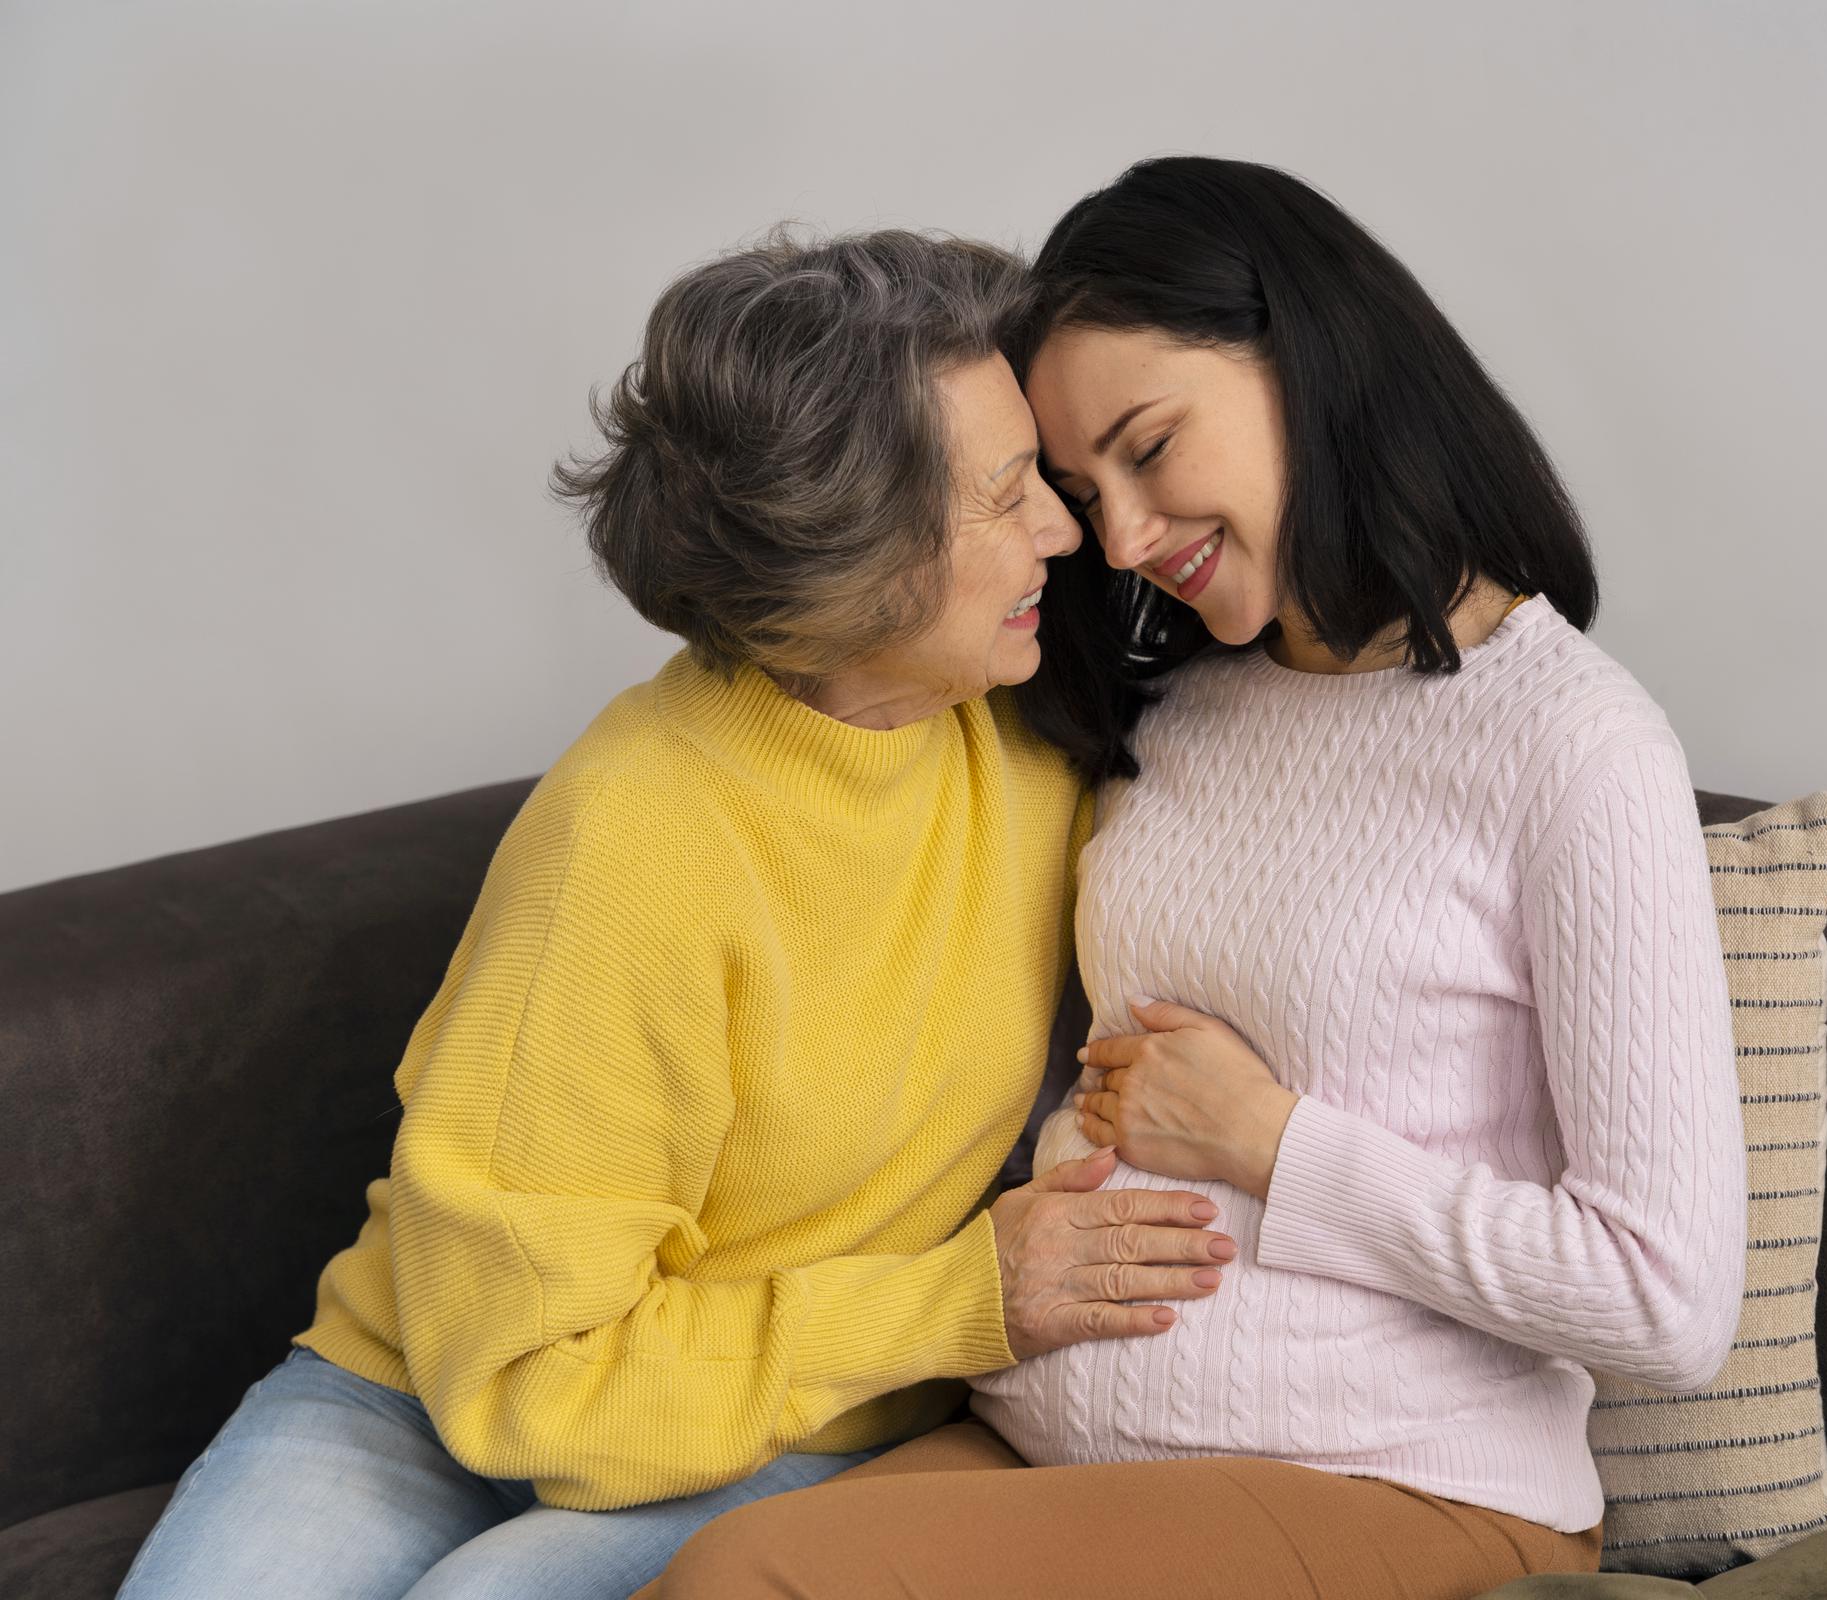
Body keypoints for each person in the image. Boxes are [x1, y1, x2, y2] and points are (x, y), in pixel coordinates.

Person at [641, 158, 1749, 1600]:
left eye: (1151, 447)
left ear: (1313, 360)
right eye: (1082, 489)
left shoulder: (1575, 749)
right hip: (1048, 1435)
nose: (1122, 538)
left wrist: (1271, 1144)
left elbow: (1666, 1302)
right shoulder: (1178, 708)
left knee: (747, 1588)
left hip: (1391, 1481)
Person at [114, 228, 1235, 1600]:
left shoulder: (1028, 719)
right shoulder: (635, 842)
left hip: (802, 1409)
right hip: (465, 1388)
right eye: (1010, 496)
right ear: (855, 569)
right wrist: (960, 1300)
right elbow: (528, 1397)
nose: (1067, 530)